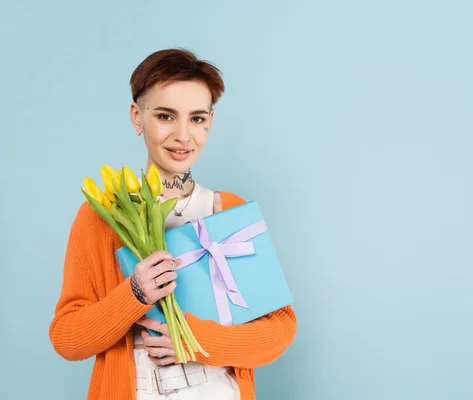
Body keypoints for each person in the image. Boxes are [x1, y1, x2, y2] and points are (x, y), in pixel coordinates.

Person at [49, 48, 297, 400]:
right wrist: (134, 293)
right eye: (166, 116)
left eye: (197, 119)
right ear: (137, 117)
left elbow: (281, 329)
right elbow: (67, 338)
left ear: (210, 121)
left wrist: (194, 340)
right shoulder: (102, 215)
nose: (183, 135)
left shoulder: (229, 210)